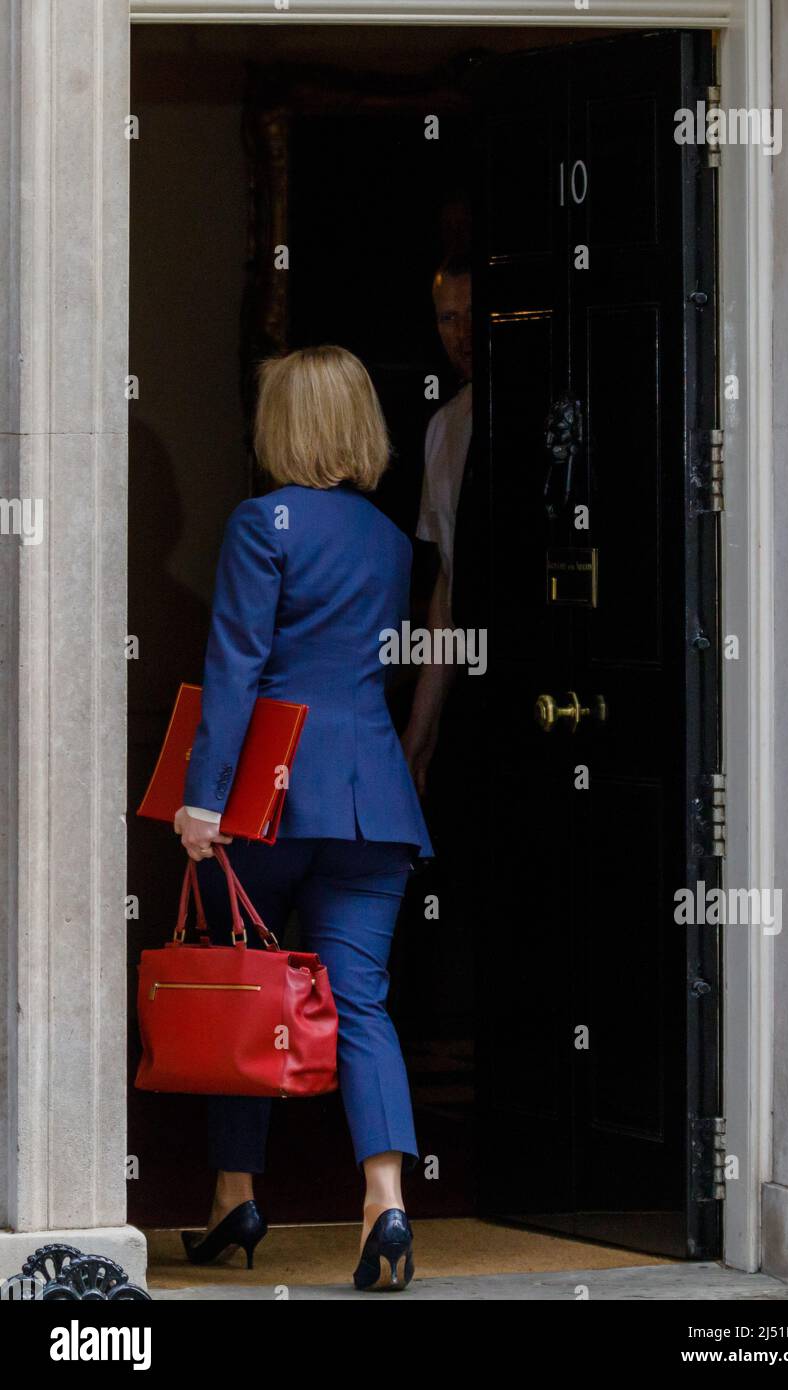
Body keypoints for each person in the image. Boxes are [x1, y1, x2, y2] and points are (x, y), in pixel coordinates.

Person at [172, 344, 433, 1292]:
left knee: (247, 981)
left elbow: (237, 666)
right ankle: (387, 1201)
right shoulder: (391, 542)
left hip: (267, 801)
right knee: (361, 1002)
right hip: (373, 803)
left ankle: (236, 1193)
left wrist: (203, 799)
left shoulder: (259, 523)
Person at [401, 255, 473, 794]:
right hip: (468, 681)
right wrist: (420, 734)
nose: (463, 333)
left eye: (473, 313)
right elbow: (446, 585)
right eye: (449, 318)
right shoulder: (442, 427)